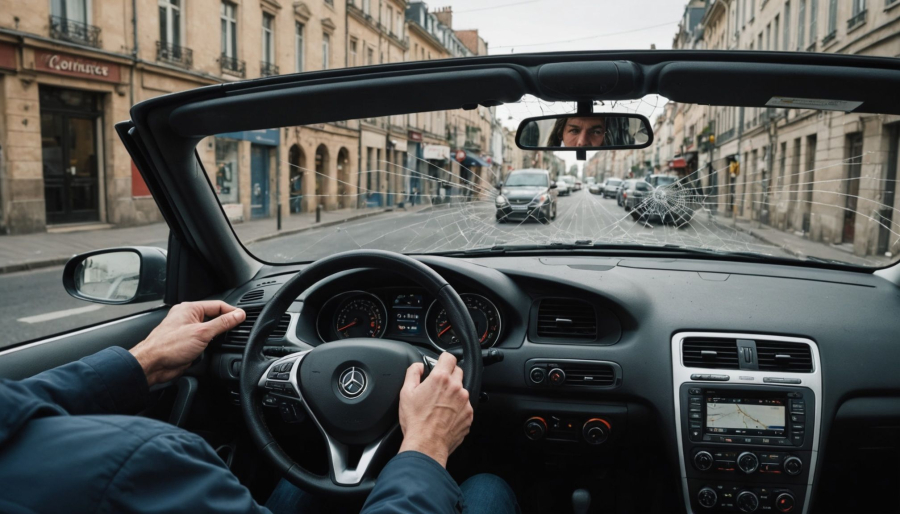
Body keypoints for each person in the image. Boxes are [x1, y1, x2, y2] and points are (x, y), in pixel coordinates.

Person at [0, 301, 519, 514]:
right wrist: (426, 445)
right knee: (487, 487)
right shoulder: (146, 464)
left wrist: (143, 362)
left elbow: (17, 405)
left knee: (305, 477)